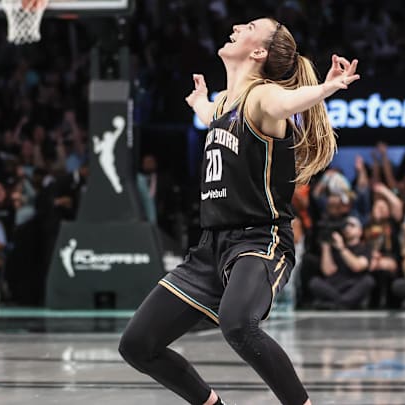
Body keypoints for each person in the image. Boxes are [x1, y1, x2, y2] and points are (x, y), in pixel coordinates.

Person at [118, 18, 359, 405]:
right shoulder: (226, 104)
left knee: (238, 324)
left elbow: (286, 102)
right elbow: (211, 116)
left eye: (248, 26)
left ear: (259, 51)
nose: (235, 26)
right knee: (137, 345)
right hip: (210, 248)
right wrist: (199, 103)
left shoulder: (262, 97)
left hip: (259, 241)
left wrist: (327, 89)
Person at [308, 216, 373, 309]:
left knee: (368, 281)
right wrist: (326, 247)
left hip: (353, 284)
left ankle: (334, 304)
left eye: (352, 225)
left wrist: (342, 248)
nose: (348, 228)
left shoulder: (365, 248)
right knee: (314, 282)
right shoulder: (335, 246)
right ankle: (344, 303)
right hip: (336, 285)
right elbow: (328, 271)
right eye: (345, 226)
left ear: (360, 231)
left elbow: (357, 266)